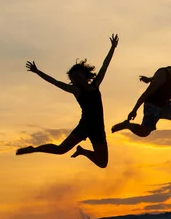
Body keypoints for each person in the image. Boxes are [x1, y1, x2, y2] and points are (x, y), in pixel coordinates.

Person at [16, 34, 119, 167]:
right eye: (73, 78)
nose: (75, 79)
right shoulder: (76, 91)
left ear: (84, 75)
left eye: (77, 76)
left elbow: (105, 66)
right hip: (85, 126)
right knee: (60, 150)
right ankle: (34, 149)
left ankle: (82, 151)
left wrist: (113, 47)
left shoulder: (95, 85)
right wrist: (37, 71)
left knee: (102, 163)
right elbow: (54, 82)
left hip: (98, 128)